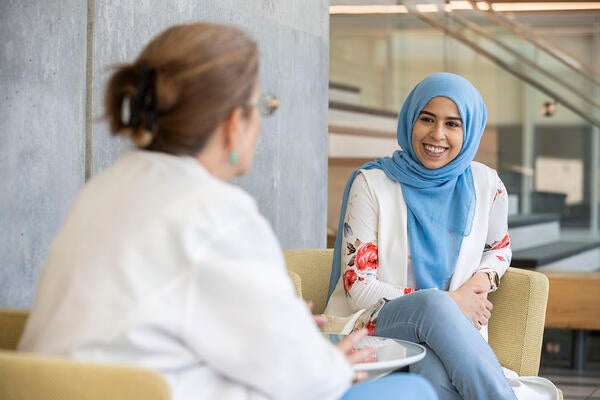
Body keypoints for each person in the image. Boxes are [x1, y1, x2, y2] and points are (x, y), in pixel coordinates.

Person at [17, 22, 437, 400]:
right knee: (413, 390)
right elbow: (305, 379)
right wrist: (327, 361)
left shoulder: (103, 190)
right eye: (262, 107)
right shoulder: (217, 213)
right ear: (234, 123)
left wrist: (287, 332)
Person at [325, 72, 558, 400]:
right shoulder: (372, 184)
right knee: (432, 305)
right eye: (427, 119)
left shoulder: (486, 184)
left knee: (435, 373)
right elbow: (358, 290)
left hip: (449, 337)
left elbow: (499, 249)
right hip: (376, 325)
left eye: (453, 124)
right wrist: (450, 303)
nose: (437, 134)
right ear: (410, 119)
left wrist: (479, 283)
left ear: (470, 129)